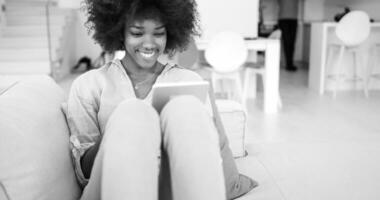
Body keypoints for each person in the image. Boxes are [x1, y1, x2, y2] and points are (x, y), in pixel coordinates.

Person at [66, 0, 227, 199]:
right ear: (119, 32)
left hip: (168, 190)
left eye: (158, 33)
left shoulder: (187, 81)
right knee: (132, 113)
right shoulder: (89, 85)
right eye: (137, 33)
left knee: (186, 107)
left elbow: (207, 163)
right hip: (109, 186)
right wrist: (116, 131)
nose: (149, 43)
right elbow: (84, 174)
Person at [277, 0, 299, 71]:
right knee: (287, 42)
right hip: (283, 19)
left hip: (293, 19)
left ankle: (289, 64)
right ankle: (288, 64)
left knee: (291, 42)